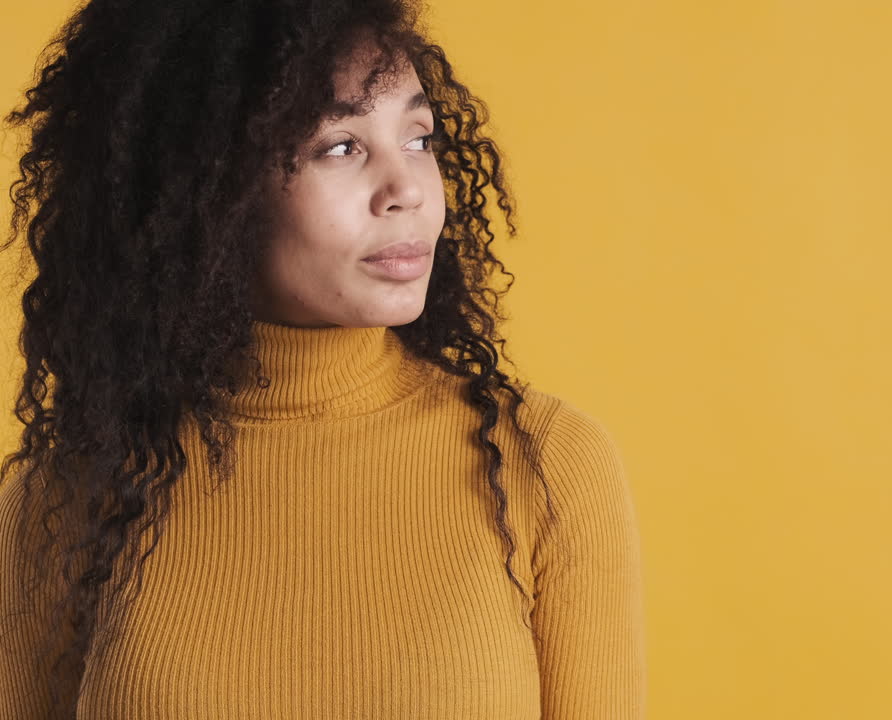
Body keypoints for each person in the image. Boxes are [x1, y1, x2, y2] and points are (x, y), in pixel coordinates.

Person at [0, 1, 646, 718]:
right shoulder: (62, 501)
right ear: (207, 185)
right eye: (340, 146)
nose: (407, 190)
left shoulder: (544, 467)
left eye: (418, 138)